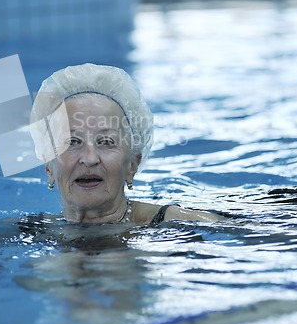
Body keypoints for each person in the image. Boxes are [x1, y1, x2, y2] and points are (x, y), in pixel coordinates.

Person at [30, 63, 223, 225]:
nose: (89, 159)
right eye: (72, 141)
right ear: (49, 165)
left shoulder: (180, 224)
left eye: (106, 142)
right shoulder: (30, 231)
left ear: (132, 165)